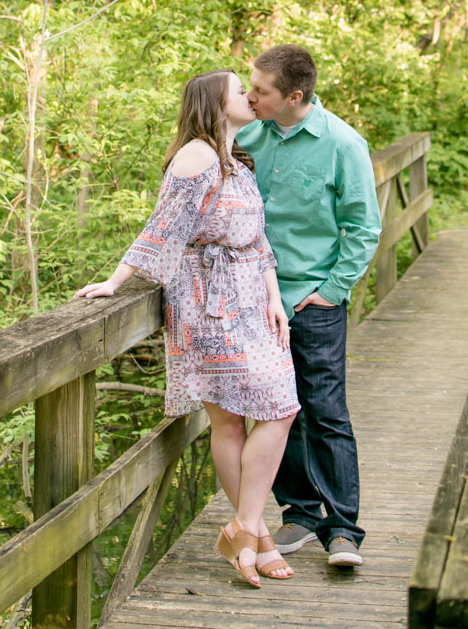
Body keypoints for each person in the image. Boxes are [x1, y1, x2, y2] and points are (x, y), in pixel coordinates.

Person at [76, 69, 300, 588]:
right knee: (230, 422)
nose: (248, 93)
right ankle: (256, 535)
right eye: (239, 87)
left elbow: (257, 238)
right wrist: (116, 281)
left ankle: (245, 528)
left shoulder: (237, 162)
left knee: (279, 408)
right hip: (208, 304)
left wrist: (275, 299)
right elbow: (163, 228)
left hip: (251, 300)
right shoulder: (196, 155)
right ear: (213, 102)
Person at [239, 45, 382, 568]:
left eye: (261, 91)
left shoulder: (342, 144)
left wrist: (333, 289)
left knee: (324, 410)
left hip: (312, 299)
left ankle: (343, 529)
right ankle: (298, 512)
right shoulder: (246, 135)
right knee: (276, 408)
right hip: (254, 299)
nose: (250, 96)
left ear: (294, 96)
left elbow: (364, 227)